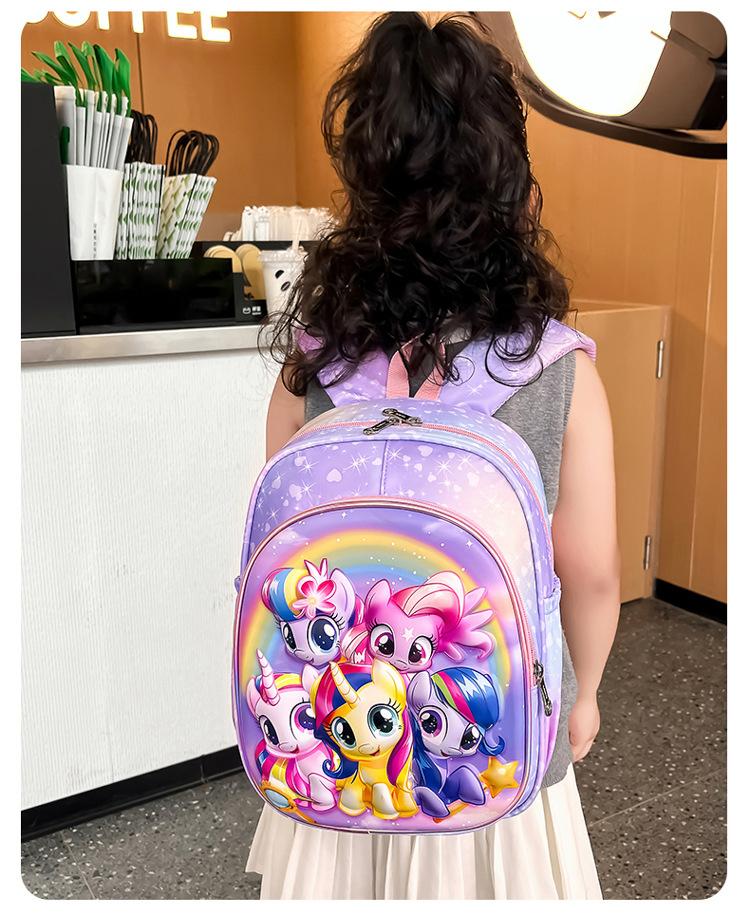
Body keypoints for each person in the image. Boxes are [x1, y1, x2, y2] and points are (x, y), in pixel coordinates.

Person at [247, 11, 620, 900]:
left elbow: (283, 555)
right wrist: (584, 693)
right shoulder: (559, 371)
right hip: (490, 748)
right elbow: (594, 573)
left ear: (363, 182)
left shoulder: (314, 364)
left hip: (334, 753)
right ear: (510, 183)